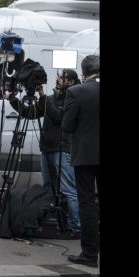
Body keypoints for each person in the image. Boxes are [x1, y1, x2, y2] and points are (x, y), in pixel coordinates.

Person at [8, 69, 82, 235]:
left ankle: (75, 227)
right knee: (49, 188)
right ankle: (55, 221)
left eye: (62, 78)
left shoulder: (72, 99)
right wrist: (13, 100)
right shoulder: (51, 98)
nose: (58, 79)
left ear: (71, 82)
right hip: (47, 149)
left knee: (68, 189)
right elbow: (30, 113)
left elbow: (58, 117)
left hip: (63, 148)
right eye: (58, 76)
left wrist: (42, 96)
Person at [63, 55, 100, 267]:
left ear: (84, 72)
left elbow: (67, 126)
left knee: (87, 202)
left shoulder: (76, 91)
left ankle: (89, 254)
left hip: (85, 154)